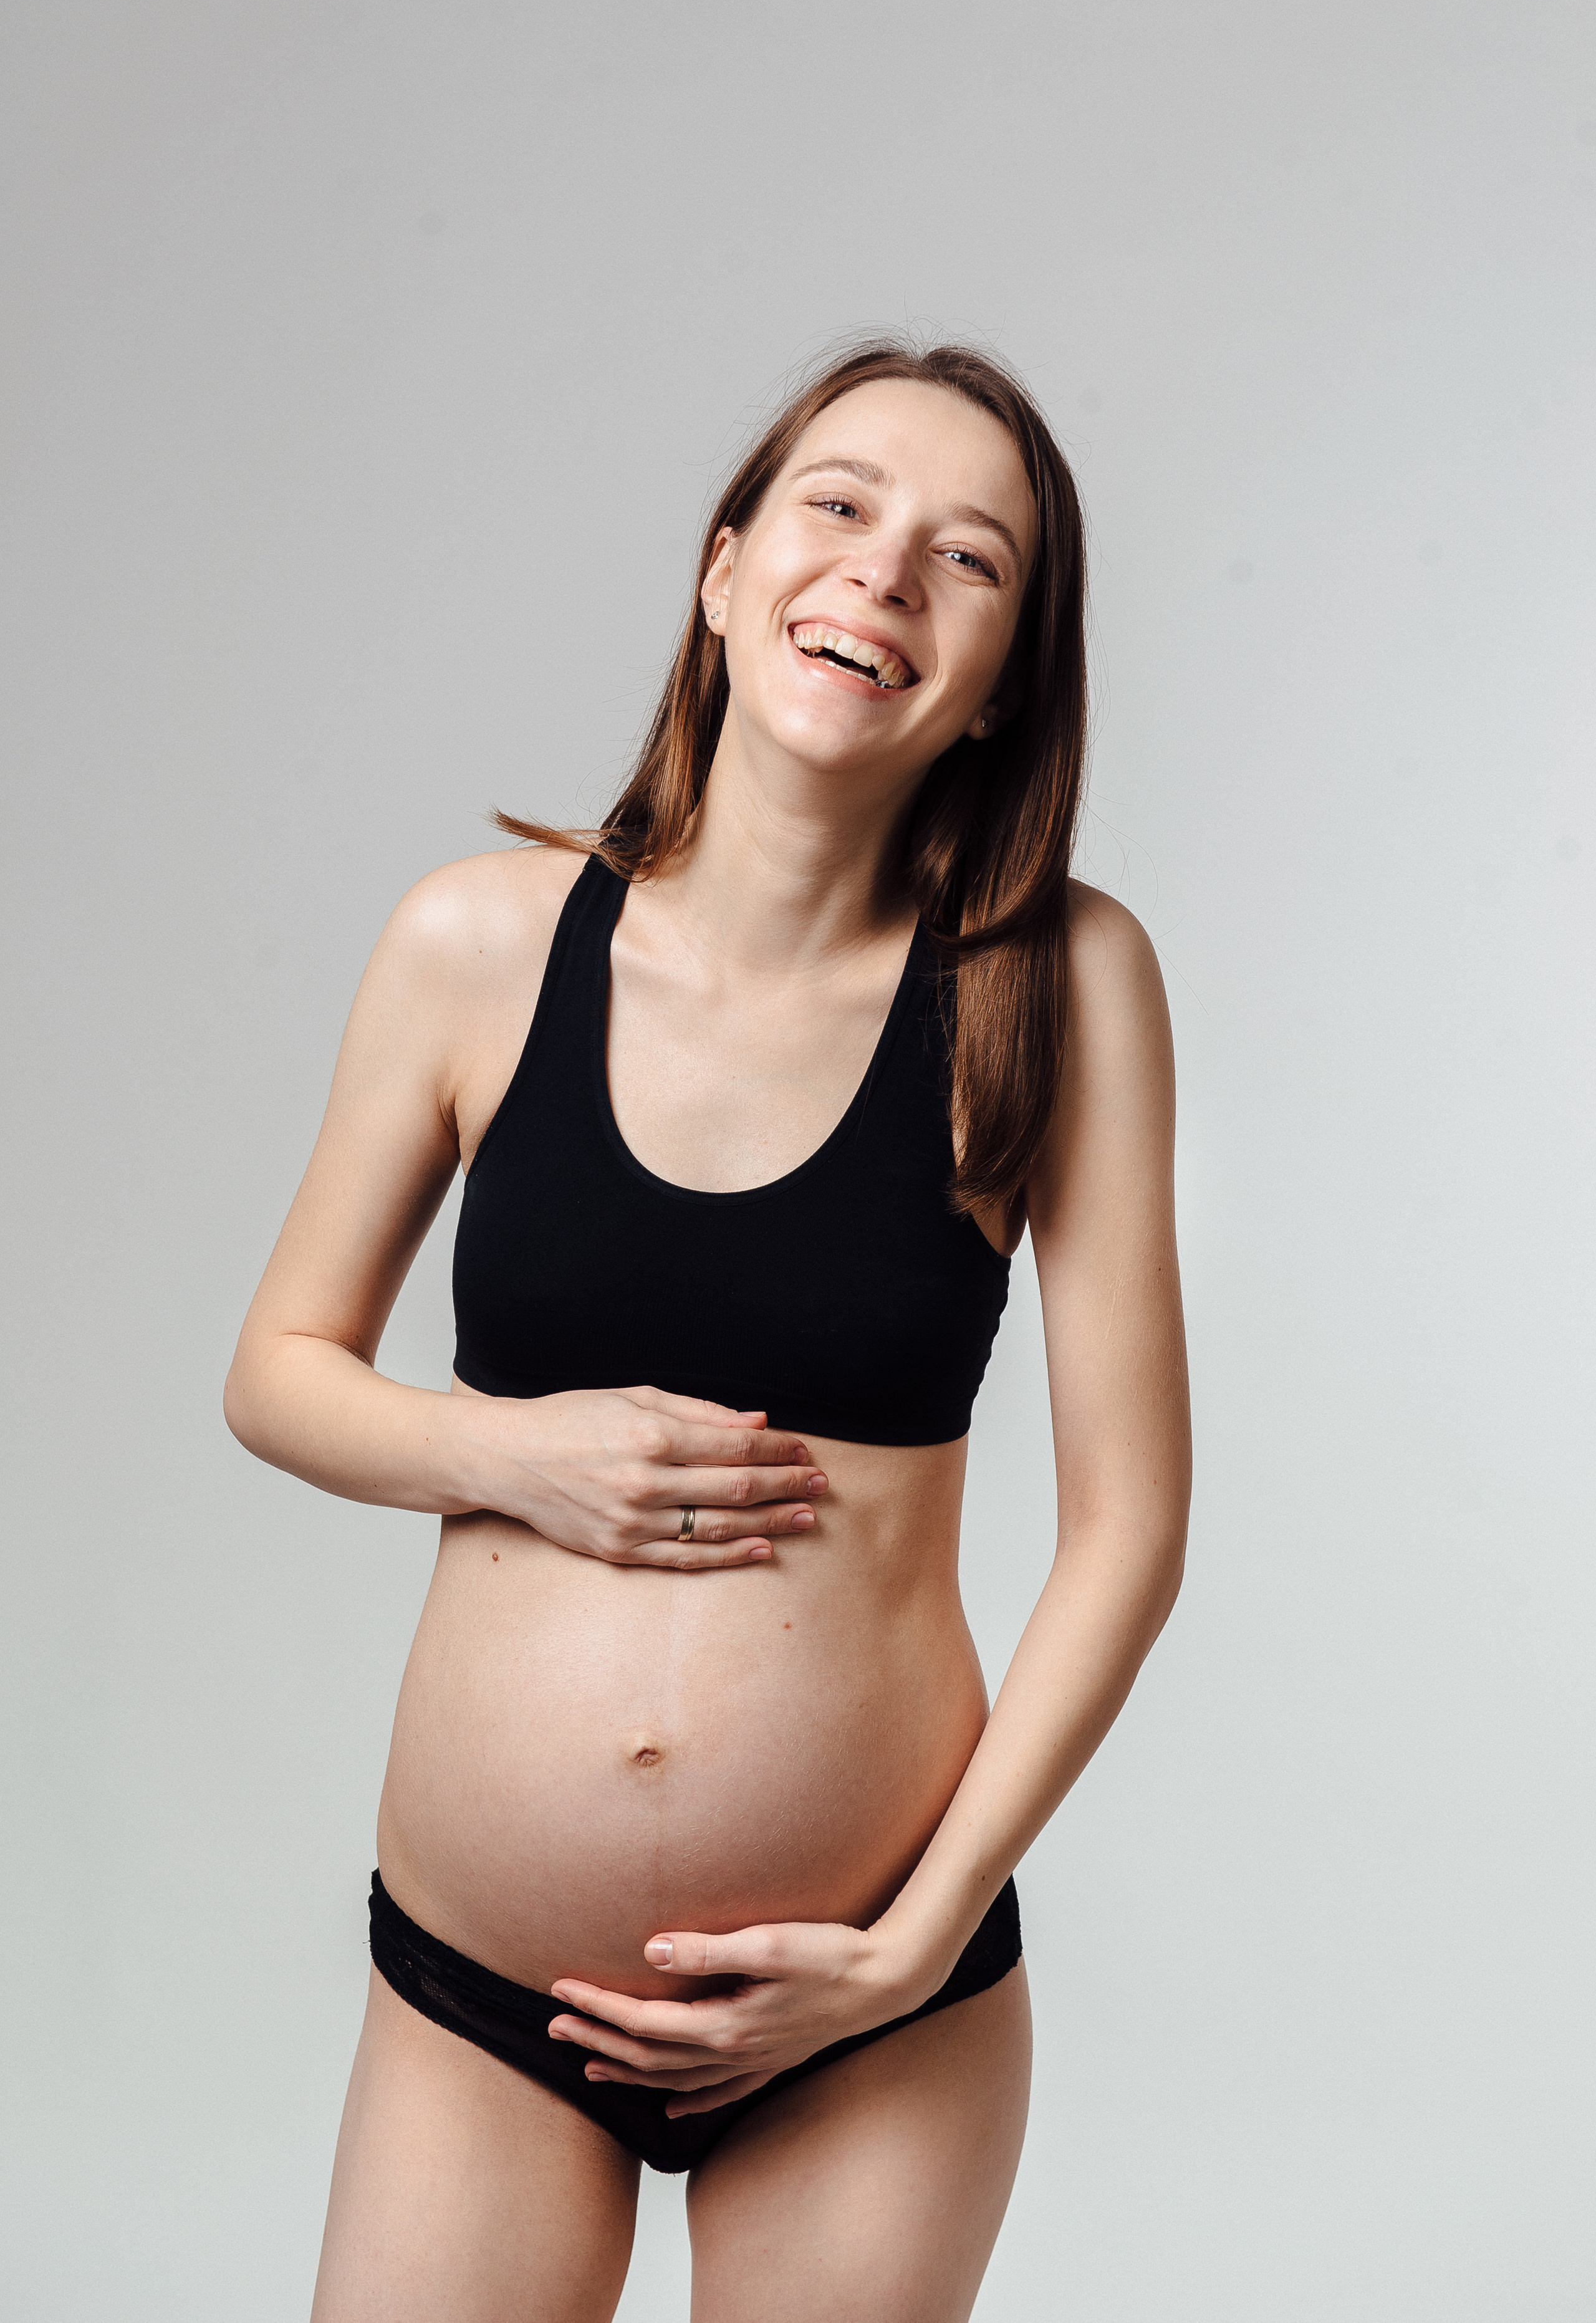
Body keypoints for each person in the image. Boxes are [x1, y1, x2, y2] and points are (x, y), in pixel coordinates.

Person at [224, 337, 1191, 2323]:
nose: (885, 576)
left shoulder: (1061, 986)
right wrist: (509, 1448)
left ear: (1004, 672)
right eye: (837, 509)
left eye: (969, 558)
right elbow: (279, 1371)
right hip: (483, 1992)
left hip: (869, 2008)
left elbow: (1131, 1530)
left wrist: (916, 1940)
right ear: (726, 565)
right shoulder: (476, 943)